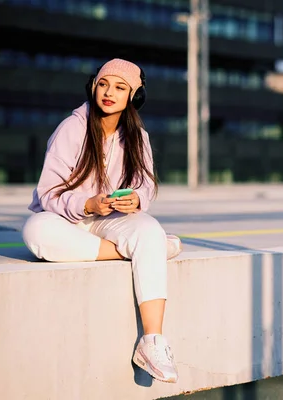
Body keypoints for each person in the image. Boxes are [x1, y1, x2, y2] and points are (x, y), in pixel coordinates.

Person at [22, 58, 179, 383]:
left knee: (148, 227)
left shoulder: (138, 136)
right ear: (94, 86)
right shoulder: (72, 128)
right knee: (35, 232)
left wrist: (136, 198)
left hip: (113, 219)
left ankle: (152, 342)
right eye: (104, 84)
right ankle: (147, 250)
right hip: (68, 219)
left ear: (133, 97)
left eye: (120, 87)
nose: (109, 92)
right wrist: (88, 203)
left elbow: (146, 186)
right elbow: (47, 192)